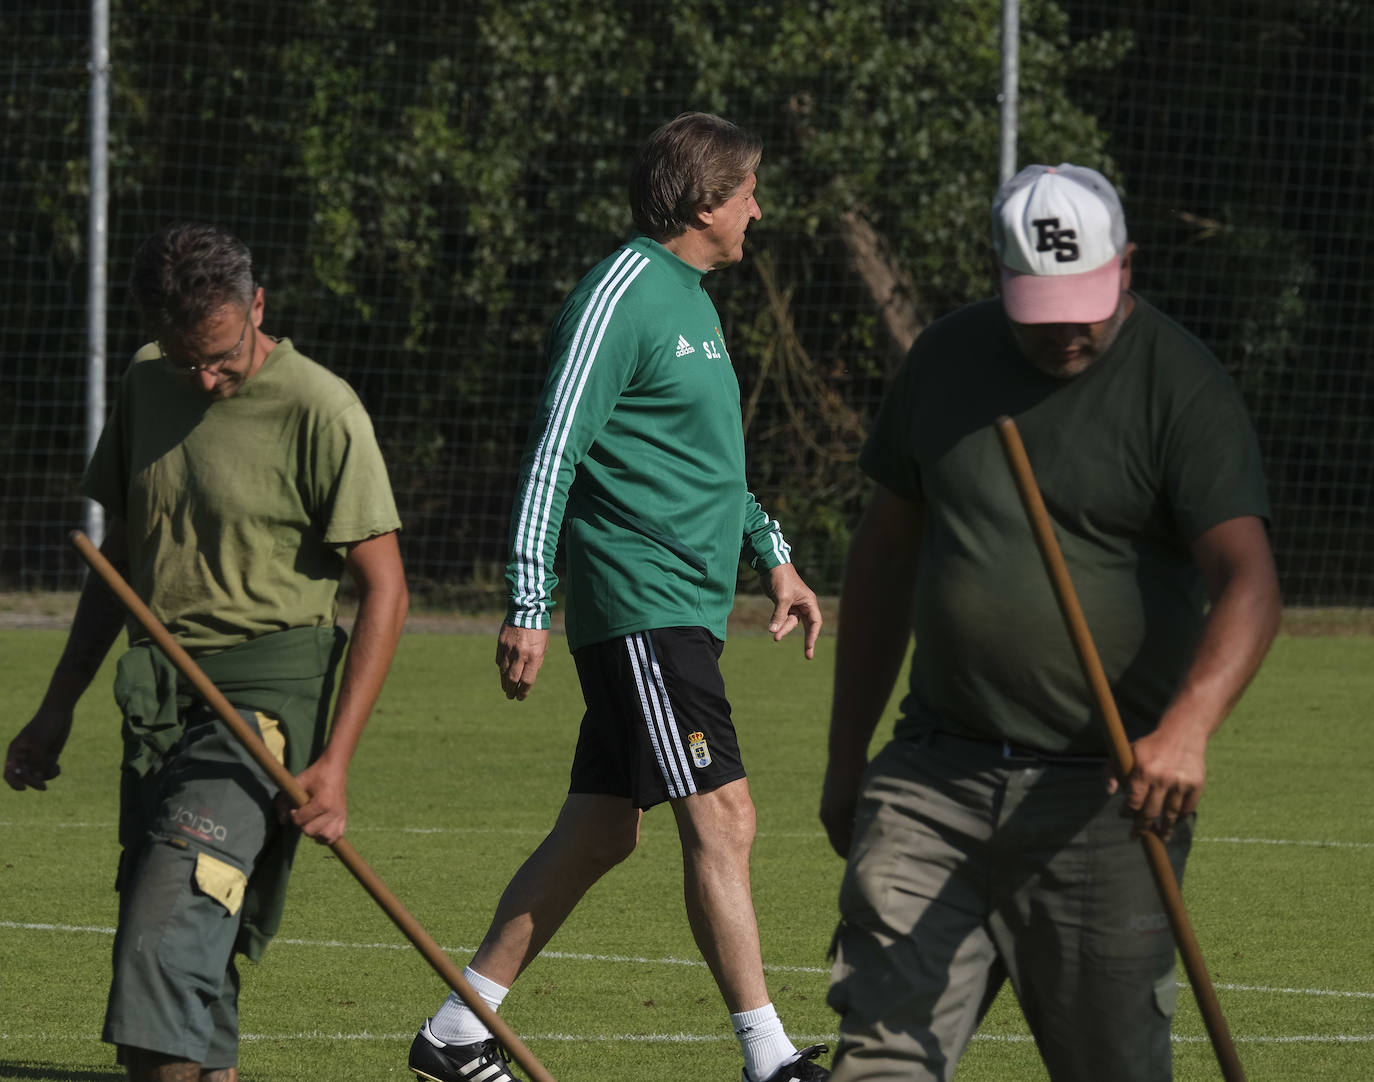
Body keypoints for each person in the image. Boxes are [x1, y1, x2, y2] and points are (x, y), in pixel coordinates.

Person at [819, 163, 1282, 1081]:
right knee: (878, 1064)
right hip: (933, 779)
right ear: (997, 274)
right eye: (1041, 303)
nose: (1068, 326)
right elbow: (882, 562)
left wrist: (1186, 730)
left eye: (1087, 298)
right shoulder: (946, 363)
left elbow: (1251, 584)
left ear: (1128, 265)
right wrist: (847, 760)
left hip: (1104, 803)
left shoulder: (1178, 384)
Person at [407, 112, 829, 1082]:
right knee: (724, 815)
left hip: (683, 607)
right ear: (703, 202)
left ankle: (459, 1031)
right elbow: (554, 451)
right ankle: (770, 1058)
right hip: (638, 606)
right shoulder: (622, 294)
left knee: (603, 825)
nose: (758, 210)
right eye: (748, 192)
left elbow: (710, 470)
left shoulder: (695, 299)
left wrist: (777, 557)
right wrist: (526, 600)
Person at [4, 222, 409, 1082]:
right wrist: (56, 707)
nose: (206, 377)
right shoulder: (149, 381)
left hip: (262, 709)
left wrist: (335, 761)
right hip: (157, 701)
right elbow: (119, 568)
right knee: (196, 945)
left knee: (162, 932)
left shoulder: (321, 408)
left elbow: (386, 589)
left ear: (256, 306)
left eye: (222, 355)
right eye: (188, 358)